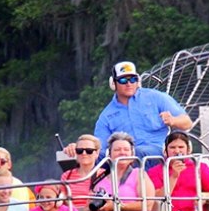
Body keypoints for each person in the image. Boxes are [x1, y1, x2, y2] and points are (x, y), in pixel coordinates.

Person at [64, 61, 192, 159]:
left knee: (139, 152)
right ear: (113, 83)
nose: (129, 83)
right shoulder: (106, 116)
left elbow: (187, 123)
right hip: (125, 160)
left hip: (158, 155)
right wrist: (80, 148)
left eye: (133, 79)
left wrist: (173, 120)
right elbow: (99, 148)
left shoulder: (157, 97)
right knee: (90, 158)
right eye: (123, 80)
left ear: (138, 81)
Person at [60, 134, 107, 211]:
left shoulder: (105, 175)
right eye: (79, 151)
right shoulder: (67, 175)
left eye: (89, 151)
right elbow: (62, 200)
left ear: (97, 153)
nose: (84, 153)